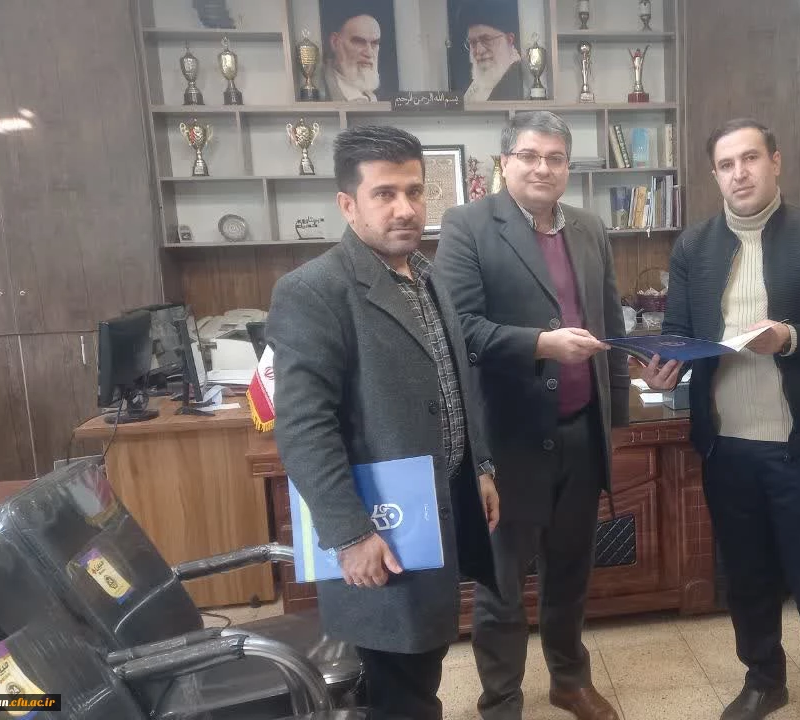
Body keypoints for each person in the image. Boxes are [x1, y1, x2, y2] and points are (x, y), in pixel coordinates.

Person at [643, 118, 800, 720]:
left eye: (750, 159)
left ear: (775, 162)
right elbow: (679, 331)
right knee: (745, 577)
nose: (739, 173)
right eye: (726, 165)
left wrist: (791, 337)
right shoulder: (694, 246)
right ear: (714, 175)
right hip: (726, 446)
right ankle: (764, 679)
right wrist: (664, 366)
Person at [267, 125, 501, 720]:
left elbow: (454, 381)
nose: (406, 209)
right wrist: (349, 534)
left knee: (421, 660)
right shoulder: (314, 290)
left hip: (437, 507)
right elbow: (303, 427)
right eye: (385, 194)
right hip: (380, 523)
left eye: (415, 191)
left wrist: (480, 468)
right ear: (348, 204)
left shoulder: (427, 273)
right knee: (401, 679)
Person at [435, 110, 629, 720]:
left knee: (571, 574)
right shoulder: (468, 226)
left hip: (581, 432)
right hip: (507, 441)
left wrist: (615, 423)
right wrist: (542, 344)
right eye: (529, 156)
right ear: (505, 162)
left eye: (556, 158)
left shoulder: (590, 228)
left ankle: (569, 680)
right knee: (501, 586)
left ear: (568, 166)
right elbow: (459, 331)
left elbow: (609, 322)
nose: (543, 168)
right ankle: (501, 701)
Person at [460, 5, 524, 102]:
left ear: (509, 40)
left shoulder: (519, 79)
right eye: (473, 42)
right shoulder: (476, 85)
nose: (479, 51)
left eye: (487, 39)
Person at [326, 12, 384, 101]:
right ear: (335, 42)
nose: (369, 53)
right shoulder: (321, 89)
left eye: (374, 43)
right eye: (359, 42)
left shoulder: (377, 94)